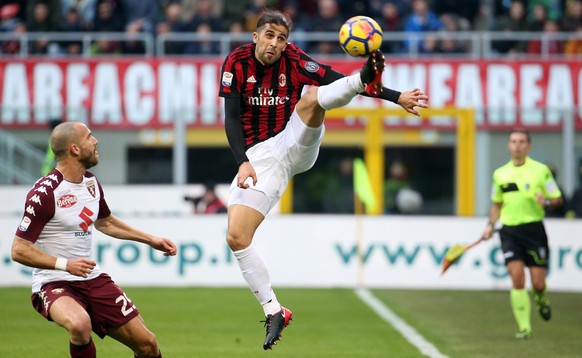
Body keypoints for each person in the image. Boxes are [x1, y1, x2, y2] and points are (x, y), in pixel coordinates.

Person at [218, 9, 428, 350]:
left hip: (293, 139)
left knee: (314, 97)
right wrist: (242, 162)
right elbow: (230, 117)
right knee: (236, 237)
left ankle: (364, 77)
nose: (275, 44)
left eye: (281, 38)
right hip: (260, 159)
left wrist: (395, 96)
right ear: (255, 36)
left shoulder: (295, 60)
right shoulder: (236, 63)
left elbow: (330, 76)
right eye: (269, 35)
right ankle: (274, 310)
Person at [11, 121, 177, 358]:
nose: (96, 141)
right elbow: (19, 249)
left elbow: (105, 222)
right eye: (89, 137)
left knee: (148, 344)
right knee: (79, 325)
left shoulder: (90, 183)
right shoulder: (45, 193)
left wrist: (150, 239)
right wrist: (65, 264)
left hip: (91, 278)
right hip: (53, 282)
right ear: (75, 149)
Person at [480, 128, 562, 340]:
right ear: (509, 146)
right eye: (513, 141)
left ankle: (541, 298)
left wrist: (546, 201)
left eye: (521, 141)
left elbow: (557, 198)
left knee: (538, 284)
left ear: (529, 146)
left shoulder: (541, 170)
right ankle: (524, 328)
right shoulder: (500, 174)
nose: (517, 145)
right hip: (509, 231)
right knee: (517, 278)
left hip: (534, 230)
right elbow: (497, 203)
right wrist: (490, 224)